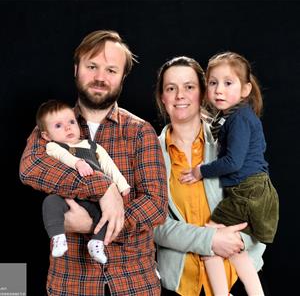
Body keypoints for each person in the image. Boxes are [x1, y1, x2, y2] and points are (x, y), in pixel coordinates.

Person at [19, 30, 168, 295]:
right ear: (76, 69)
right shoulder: (53, 125)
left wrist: (93, 224)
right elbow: (31, 168)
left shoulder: (140, 132)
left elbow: (155, 205)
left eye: (111, 70)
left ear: (122, 77)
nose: (100, 77)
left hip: (134, 282)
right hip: (71, 283)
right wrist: (103, 188)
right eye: (92, 66)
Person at [153, 56, 266, 296]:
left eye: (189, 87)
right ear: (162, 98)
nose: (180, 95)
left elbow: (259, 204)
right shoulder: (150, 154)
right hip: (180, 284)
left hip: (236, 278)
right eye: (171, 88)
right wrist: (210, 240)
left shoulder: (230, 143)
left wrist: (238, 243)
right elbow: (153, 224)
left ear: (203, 94)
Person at [180, 51, 279, 295]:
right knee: (234, 247)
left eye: (228, 83)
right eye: (213, 83)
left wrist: (201, 170)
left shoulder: (240, 119)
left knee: (210, 240)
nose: (219, 90)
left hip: (248, 191)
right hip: (253, 189)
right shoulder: (234, 116)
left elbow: (233, 162)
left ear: (245, 90)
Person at [36, 99, 131, 264]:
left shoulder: (93, 147)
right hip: (69, 196)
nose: (68, 128)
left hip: (95, 198)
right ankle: (58, 237)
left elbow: (109, 166)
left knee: (105, 215)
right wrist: (77, 163)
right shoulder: (54, 146)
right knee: (50, 203)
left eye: (71, 122)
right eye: (58, 126)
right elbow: (62, 157)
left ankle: (97, 243)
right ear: (46, 135)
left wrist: (122, 184)